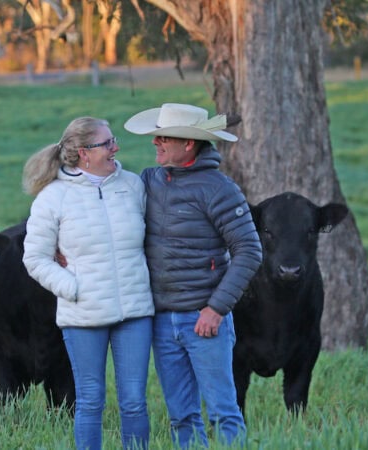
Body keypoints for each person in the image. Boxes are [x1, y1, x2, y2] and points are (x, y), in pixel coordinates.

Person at [123, 103, 262, 449]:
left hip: (204, 320)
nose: (155, 142)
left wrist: (216, 309)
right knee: (181, 416)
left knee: (222, 412)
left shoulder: (220, 189)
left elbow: (249, 251)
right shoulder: (149, 180)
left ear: (188, 144)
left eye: (164, 136)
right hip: (161, 320)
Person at [22, 116, 155, 450]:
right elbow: (35, 258)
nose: (116, 148)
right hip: (83, 316)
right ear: (84, 153)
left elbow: (152, 240)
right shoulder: (53, 198)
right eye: (107, 143)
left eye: (113, 141)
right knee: (90, 401)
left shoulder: (132, 186)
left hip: (135, 312)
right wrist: (73, 288)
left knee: (134, 402)